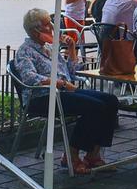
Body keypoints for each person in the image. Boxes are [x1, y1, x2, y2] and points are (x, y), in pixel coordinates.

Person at [14, 9, 119, 174]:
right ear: (36, 30)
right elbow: (29, 78)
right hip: (43, 96)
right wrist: (60, 83)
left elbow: (71, 72)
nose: (52, 27)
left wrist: (71, 48)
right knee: (95, 107)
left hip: (65, 91)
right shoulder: (25, 51)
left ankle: (93, 154)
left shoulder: (49, 46)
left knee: (111, 101)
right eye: (48, 24)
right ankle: (71, 154)